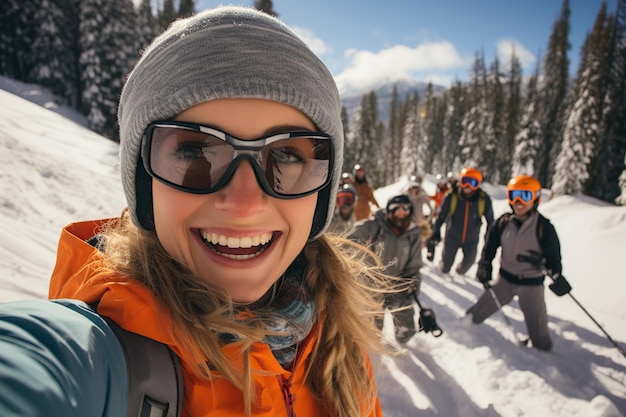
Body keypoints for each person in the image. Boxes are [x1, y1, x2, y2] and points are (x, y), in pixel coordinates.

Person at [0, 7, 390, 417]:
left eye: (287, 156)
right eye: (194, 151)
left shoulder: (336, 347)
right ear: (144, 184)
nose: (245, 204)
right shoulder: (101, 355)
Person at [466, 175, 570, 351]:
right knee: (473, 316)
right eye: (514, 195)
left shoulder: (544, 227)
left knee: (540, 339)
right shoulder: (503, 223)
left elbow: (554, 259)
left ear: (536, 199)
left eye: (525, 196)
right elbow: (489, 249)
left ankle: (546, 362)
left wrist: (556, 276)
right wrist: (485, 266)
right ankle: (462, 330)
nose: (519, 202)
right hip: (504, 281)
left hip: (532, 286)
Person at [350, 195, 423, 344]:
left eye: (405, 209)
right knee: (372, 330)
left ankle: (403, 337)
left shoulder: (413, 233)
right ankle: (372, 351)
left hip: (398, 284)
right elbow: (350, 242)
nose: (401, 213)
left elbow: (414, 264)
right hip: (373, 284)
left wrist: (413, 285)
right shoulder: (375, 226)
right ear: (389, 210)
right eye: (396, 209)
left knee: (406, 323)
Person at [427, 167, 494, 275]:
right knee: (445, 267)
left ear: (478, 185)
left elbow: (491, 221)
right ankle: (443, 268)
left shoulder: (483, 199)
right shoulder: (452, 196)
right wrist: (436, 232)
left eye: (473, 183)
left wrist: (490, 239)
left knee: (467, 264)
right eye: (465, 182)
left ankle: (459, 271)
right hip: (452, 237)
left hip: (471, 240)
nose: (468, 186)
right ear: (460, 181)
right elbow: (441, 216)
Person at [406, 180, 433, 244]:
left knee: (420, 240)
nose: (414, 190)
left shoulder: (422, 196)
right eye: (412, 188)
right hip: (410, 221)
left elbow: (430, 209)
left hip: (421, 221)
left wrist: (428, 219)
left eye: (415, 188)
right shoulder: (407, 196)